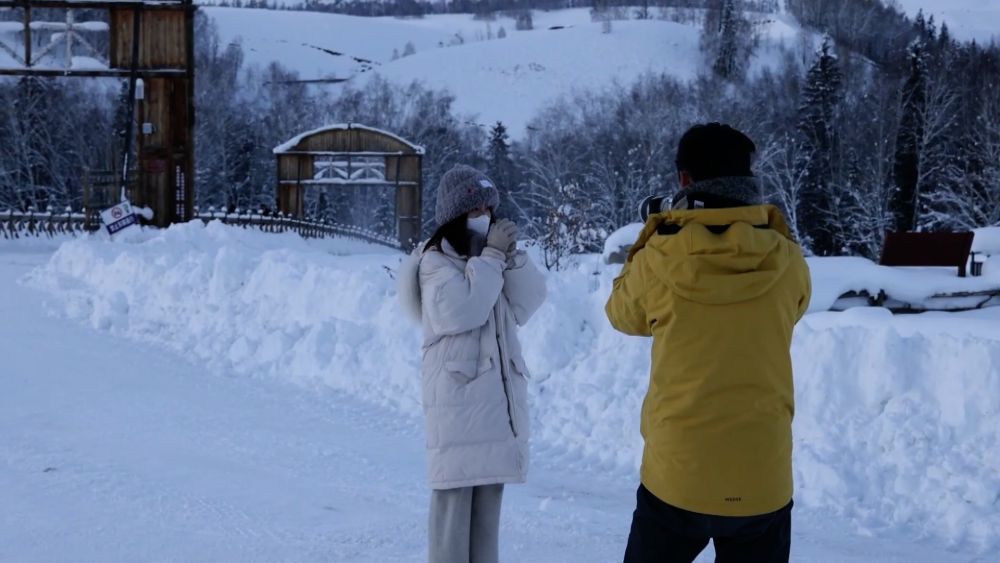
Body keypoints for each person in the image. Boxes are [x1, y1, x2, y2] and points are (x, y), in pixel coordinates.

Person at [605, 123, 812, 563]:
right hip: (763, 480)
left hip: (677, 478)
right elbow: (794, 309)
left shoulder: (660, 258)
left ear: (684, 180)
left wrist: (652, 232)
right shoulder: (788, 260)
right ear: (748, 178)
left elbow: (621, 314)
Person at [398, 164, 547, 563]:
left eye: (488, 206)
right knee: (453, 516)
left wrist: (511, 259)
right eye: (475, 207)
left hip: (493, 412)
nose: (484, 213)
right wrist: (494, 257)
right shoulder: (435, 262)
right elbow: (463, 309)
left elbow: (528, 302)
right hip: (458, 410)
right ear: (453, 214)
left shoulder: (490, 260)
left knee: (485, 516)